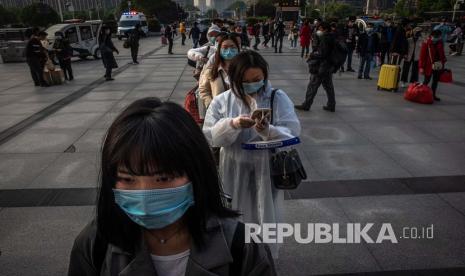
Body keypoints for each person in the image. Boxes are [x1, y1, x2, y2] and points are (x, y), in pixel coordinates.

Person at [67, 97, 277, 276]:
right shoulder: (95, 244)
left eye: (163, 178)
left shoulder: (243, 245)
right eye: (128, 179)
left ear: (196, 173)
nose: (145, 194)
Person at [203, 51, 301, 259]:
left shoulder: (278, 98)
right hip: (233, 166)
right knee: (235, 212)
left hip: (266, 168)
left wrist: (267, 130)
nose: (252, 85)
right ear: (235, 79)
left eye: (257, 80)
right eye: (245, 81)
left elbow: (292, 133)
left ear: (264, 76)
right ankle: (238, 253)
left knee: (266, 211)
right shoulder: (222, 101)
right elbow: (211, 136)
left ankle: (265, 256)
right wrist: (233, 124)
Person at [295, 22, 336, 112]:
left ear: (325, 29)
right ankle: (331, 105)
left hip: (321, 66)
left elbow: (322, 53)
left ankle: (306, 104)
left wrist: (312, 55)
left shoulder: (325, 38)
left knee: (312, 86)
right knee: (329, 87)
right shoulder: (332, 37)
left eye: (320, 29)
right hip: (329, 66)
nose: (318, 30)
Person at [198, 33, 240, 110]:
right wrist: (211, 105)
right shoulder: (211, 70)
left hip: (240, 111)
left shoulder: (244, 69)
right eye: (225, 47)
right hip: (218, 112)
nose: (229, 50)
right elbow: (204, 90)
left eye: (232, 47)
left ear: (238, 48)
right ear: (219, 49)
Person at [419, 30, 446, 101]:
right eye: (437, 36)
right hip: (428, 65)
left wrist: (443, 62)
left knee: (435, 81)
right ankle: (422, 94)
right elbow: (422, 56)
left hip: (438, 64)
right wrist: (421, 67)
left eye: (439, 36)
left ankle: (433, 95)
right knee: (426, 80)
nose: (438, 37)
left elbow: (442, 53)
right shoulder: (426, 43)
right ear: (432, 36)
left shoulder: (440, 42)